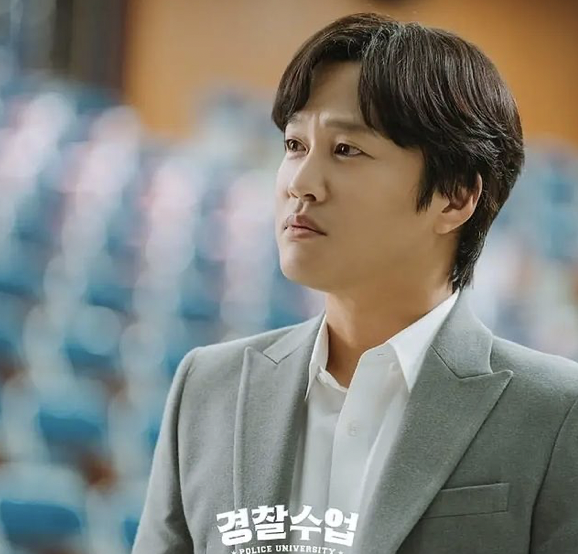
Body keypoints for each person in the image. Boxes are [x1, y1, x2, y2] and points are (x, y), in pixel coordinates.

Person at [131, 12, 578, 554]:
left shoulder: (556, 413)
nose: (301, 183)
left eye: (346, 150)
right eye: (295, 145)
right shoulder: (207, 386)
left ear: (456, 197)